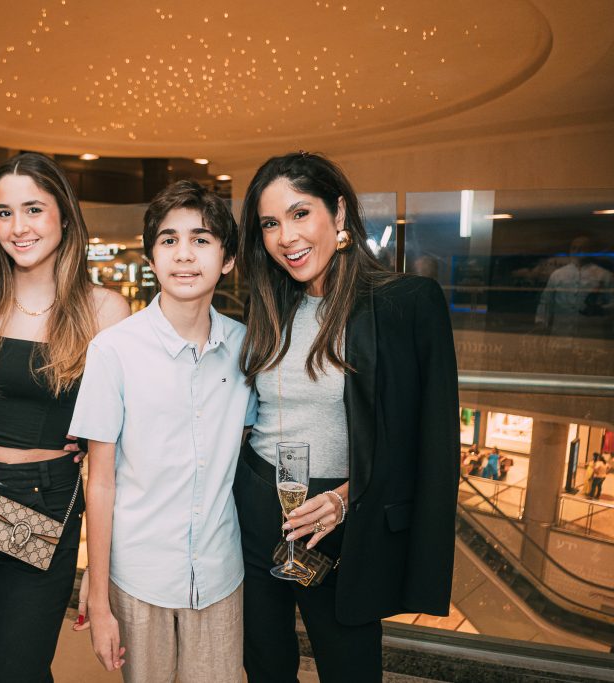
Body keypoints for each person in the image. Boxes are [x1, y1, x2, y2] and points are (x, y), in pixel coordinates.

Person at [234, 152, 459, 683]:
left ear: (338, 214)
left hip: (340, 515)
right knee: (265, 665)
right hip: (258, 504)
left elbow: (425, 440)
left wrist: (343, 499)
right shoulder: (267, 305)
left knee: (350, 669)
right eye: (270, 223)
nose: (285, 236)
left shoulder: (406, 302)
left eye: (299, 213)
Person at [0, 152, 129, 683]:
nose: (18, 227)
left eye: (33, 209)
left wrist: (100, 581)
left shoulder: (103, 311)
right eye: (3, 212)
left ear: (64, 217)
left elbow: (113, 454)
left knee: (15, 672)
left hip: (45, 502)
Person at [70, 180, 257, 682]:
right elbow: (101, 481)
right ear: (152, 259)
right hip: (139, 578)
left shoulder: (247, 350)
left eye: (201, 239)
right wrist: (100, 597)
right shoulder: (113, 351)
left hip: (220, 575)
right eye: (169, 241)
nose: (184, 255)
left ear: (228, 258)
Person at [534, 236, 613, 337]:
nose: (577, 251)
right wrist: (541, 324)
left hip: (590, 336)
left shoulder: (604, 275)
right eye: (574, 248)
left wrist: (601, 310)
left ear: (590, 251)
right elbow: (546, 302)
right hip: (561, 334)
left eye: (582, 248)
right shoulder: (557, 275)